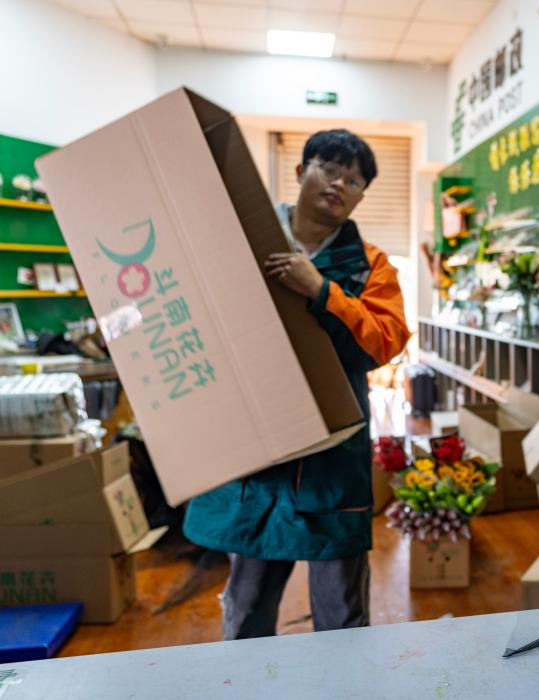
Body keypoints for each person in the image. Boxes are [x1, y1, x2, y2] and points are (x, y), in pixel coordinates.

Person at [184, 129, 411, 638]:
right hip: (257, 446)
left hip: (333, 454)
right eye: (329, 169)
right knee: (246, 605)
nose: (339, 184)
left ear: (360, 196)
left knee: (342, 617)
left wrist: (322, 290)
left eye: (353, 180)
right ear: (300, 170)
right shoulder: (243, 238)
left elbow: (386, 340)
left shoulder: (370, 263)